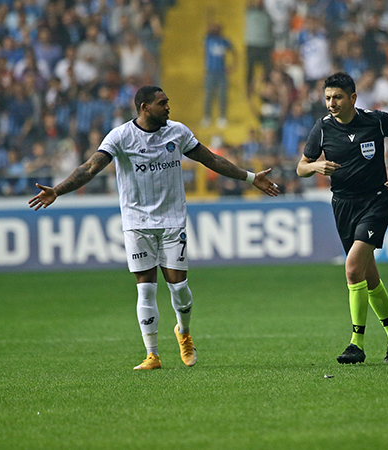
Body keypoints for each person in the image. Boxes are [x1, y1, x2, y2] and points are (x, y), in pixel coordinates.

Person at [30, 86, 280, 370]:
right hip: (137, 224)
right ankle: (153, 355)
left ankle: (183, 332)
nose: (168, 107)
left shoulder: (178, 132)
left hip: (172, 221)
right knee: (145, 290)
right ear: (144, 107)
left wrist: (250, 178)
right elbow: (90, 168)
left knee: (180, 288)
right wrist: (58, 191)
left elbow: (211, 160)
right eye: (163, 103)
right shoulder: (121, 136)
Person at [296, 72, 388, 364]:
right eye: (327, 98)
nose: (331, 104)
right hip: (343, 206)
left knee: (351, 269)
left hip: (375, 201)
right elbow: (300, 167)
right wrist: (316, 166)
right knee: (368, 276)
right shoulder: (322, 129)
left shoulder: (376, 120)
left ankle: (356, 344)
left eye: (336, 97)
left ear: (352, 98)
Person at [201, 23, 237, 128]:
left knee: (222, 96)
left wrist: (232, 66)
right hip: (210, 72)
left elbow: (233, 52)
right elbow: (207, 31)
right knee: (208, 95)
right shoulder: (208, 39)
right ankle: (207, 117)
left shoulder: (224, 41)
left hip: (221, 73)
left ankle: (222, 117)